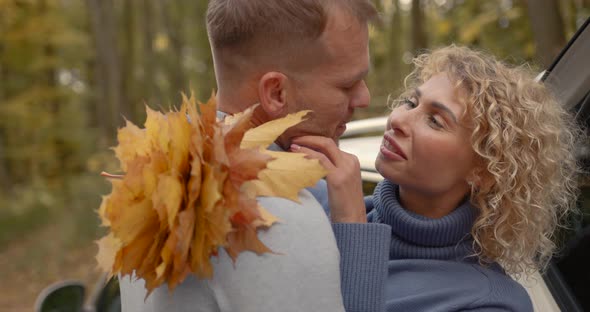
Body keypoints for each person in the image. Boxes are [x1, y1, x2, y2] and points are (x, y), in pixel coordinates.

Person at [120, 1, 391, 312]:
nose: (364, 97)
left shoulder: (153, 179)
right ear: (276, 93)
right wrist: (355, 231)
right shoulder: (276, 215)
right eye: (347, 84)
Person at [293, 45, 582, 311]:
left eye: (435, 121)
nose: (398, 120)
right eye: (410, 102)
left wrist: (352, 230)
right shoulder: (321, 201)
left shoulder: (489, 303)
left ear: (484, 170)